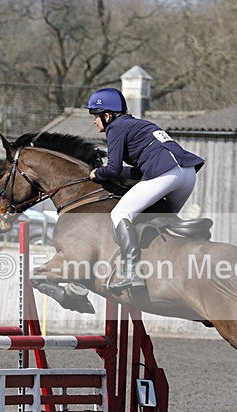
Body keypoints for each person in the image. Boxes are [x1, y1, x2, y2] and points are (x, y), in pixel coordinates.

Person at [86, 87, 205, 291]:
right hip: (187, 174)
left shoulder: (116, 127)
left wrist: (98, 173)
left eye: (96, 116)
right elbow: (141, 173)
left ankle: (133, 273)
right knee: (163, 219)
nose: (94, 121)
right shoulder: (139, 124)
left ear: (107, 115)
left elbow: (113, 169)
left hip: (167, 174)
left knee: (120, 214)